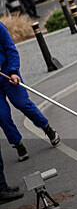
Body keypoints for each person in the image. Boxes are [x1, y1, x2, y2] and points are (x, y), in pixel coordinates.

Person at [1, 20, 60, 162]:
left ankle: (46, 128)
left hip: (8, 73)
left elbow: (10, 48)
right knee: (2, 115)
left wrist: (13, 70)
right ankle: (17, 144)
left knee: (22, 103)